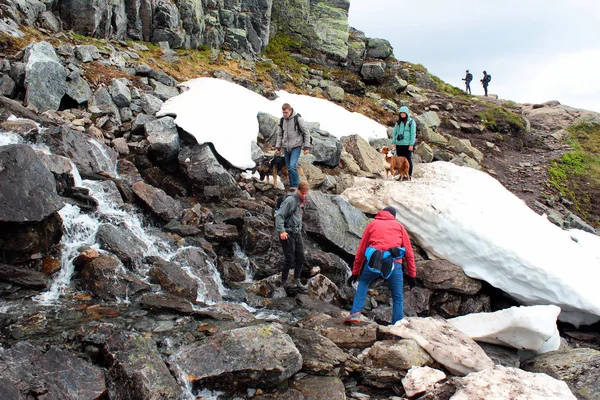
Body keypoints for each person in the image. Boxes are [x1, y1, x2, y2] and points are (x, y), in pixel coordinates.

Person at [345, 206, 417, 324]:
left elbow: (361, 251)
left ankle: (355, 313)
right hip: (394, 265)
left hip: (374, 263)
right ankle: (397, 327)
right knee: (397, 297)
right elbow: (409, 252)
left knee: (363, 282)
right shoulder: (399, 226)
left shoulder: (372, 225)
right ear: (393, 216)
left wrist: (355, 272)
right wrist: (412, 275)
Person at [274, 180, 310, 291]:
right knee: (289, 258)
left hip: (296, 232)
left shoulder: (302, 201)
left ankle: (296, 280)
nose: (304, 195)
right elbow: (279, 215)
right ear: (297, 190)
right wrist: (281, 231)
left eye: (306, 193)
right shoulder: (290, 200)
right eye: (302, 193)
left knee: (300, 256)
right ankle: (284, 282)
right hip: (287, 232)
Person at [275, 103, 311, 190]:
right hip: (286, 148)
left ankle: (296, 186)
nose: (284, 114)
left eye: (286, 112)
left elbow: (306, 132)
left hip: (296, 146)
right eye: (283, 112)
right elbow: (279, 135)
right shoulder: (282, 120)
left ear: (290, 111)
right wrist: (278, 147)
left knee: (292, 166)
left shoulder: (297, 119)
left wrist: (306, 147)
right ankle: (292, 186)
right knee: (289, 167)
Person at [391, 106, 417, 179]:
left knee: (408, 160)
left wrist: (411, 144)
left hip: (407, 144)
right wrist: (394, 142)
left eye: (404, 113)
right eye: (401, 113)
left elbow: (413, 134)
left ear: (406, 113)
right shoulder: (398, 122)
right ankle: (401, 175)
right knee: (400, 161)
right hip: (399, 144)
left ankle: (408, 175)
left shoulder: (411, 122)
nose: (402, 114)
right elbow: (395, 132)